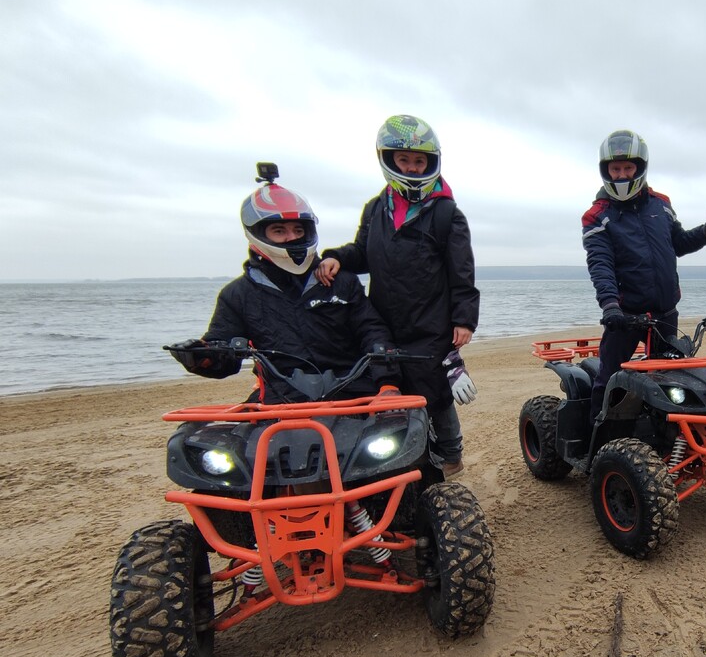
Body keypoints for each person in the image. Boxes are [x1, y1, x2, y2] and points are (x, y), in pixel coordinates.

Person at [315, 114, 480, 477]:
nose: (412, 167)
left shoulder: (447, 213)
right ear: (389, 160)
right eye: (404, 160)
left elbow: (462, 271)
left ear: (431, 162)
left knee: (435, 392)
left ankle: (451, 454)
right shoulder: (376, 209)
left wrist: (464, 319)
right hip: (384, 320)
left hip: (431, 322)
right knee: (389, 387)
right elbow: (362, 253)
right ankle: (400, 455)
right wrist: (336, 258)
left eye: (419, 160)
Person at [169, 173, 397, 406]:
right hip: (280, 398)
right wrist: (200, 357)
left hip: (353, 391)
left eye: (298, 230)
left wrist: (387, 382)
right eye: (279, 231)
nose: (292, 238)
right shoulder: (238, 294)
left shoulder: (341, 282)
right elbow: (224, 354)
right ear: (258, 234)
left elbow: (372, 331)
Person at [582, 129, 706, 419]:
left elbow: (678, 244)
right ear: (606, 171)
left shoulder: (661, 204)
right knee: (609, 378)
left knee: (671, 380)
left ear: (640, 168)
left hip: (665, 312)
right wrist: (610, 305)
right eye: (615, 169)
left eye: (627, 168)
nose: (622, 175)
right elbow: (601, 264)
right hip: (625, 316)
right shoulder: (597, 216)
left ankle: (665, 433)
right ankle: (596, 434)